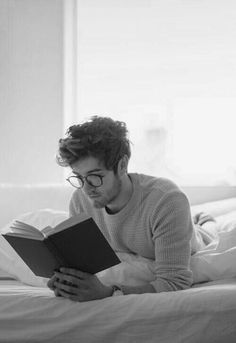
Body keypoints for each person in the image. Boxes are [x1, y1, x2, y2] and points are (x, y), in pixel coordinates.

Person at [47, 116, 200, 301]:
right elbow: (82, 266)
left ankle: (203, 220)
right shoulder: (80, 199)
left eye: (95, 176)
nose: (86, 189)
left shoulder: (167, 200)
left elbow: (175, 282)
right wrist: (66, 280)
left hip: (193, 239)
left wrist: (109, 292)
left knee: (206, 227)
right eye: (79, 177)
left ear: (122, 165)